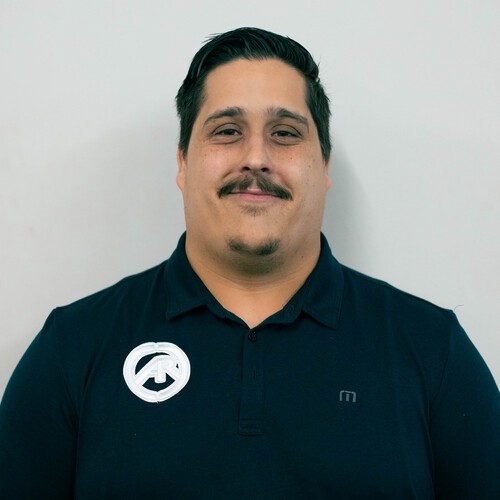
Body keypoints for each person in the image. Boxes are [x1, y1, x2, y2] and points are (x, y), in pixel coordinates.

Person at [0, 27, 498, 499]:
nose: (256, 157)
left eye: (285, 133)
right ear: (183, 162)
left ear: (324, 167)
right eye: (227, 131)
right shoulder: (72, 349)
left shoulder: (434, 353)